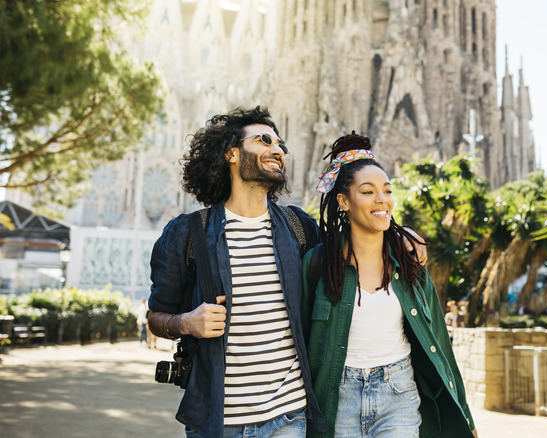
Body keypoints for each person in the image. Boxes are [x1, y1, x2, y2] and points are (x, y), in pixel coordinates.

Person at [146, 106, 426, 438]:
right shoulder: (187, 235)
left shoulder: (299, 229)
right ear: (231, 153)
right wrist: (185, 322)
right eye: (264, 140)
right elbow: (156, 317)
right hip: (218, 421)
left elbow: (357, 245)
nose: (277, 150)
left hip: (290, 419)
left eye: (281, 145)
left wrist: (400, 235)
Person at [302, 132, 477, 437]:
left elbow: (439, 341)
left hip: (398, 394)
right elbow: (301, 340)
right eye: (368, 191)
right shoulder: (319, 264)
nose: (382, 199)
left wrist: (466, 417)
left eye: (387, 190)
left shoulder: (410, 263)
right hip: (338, 398)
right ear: (343, 201)